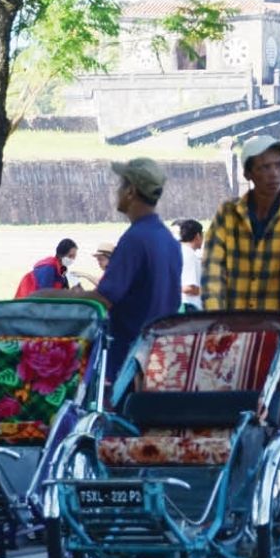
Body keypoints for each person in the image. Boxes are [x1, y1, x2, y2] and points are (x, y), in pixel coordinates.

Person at [29, 159, 182, 387]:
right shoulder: (168, 240)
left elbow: (103, 299)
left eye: (121, 185)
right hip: (161, 357)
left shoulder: (135, 240)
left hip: (131, 361)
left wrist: (48, 295)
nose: (117, 191)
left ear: (130, 191)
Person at [202, 136, 280, 326]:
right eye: (264, 167)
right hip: (235, 327)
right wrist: (217, 317)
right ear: (248, 174)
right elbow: (212, 270)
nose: (274, 173)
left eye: (279, 165)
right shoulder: (228, 215)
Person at [176, 218, 204, 311]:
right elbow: (189, 288)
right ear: (198, 236)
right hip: (190, 307)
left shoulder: (178, 251)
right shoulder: (189, 255)